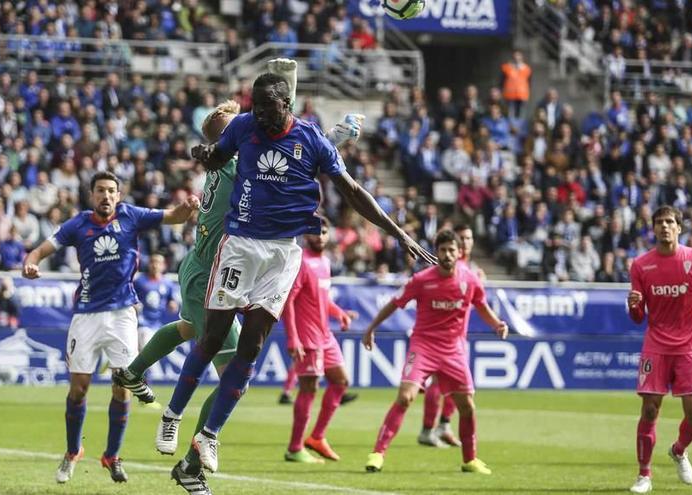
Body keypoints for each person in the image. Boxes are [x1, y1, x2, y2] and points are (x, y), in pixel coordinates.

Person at [175, 68, 436, 476]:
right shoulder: (242, 133)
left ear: (287, 105)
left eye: (268, 108)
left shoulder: (304, 139)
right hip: (230, 250)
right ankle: (173, 417)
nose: (260, 115)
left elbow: (349, 189)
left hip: (279, 254)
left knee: (250, 355)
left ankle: (206, 438)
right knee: (209, 340)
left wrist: (398, 231)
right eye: (255, 108)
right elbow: (224, 156)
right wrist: (206, 154)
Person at [22, 171, 199, 485]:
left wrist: (187, 207)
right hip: (86, 314)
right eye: (101, 190)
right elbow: (40, 249)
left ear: (118, 195)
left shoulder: (132, 215)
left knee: (123, 385)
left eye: (112, 191)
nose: (106, 196)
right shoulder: (78, 224)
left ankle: (112, 456)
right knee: (78, 389)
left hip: (122, 314)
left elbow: (173, 216)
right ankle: (73, 450)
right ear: (92, 195)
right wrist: (31, 262)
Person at [363, 229, 507, 474]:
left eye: (452, 250)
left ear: (459, 252)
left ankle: (470, 459)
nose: (448, 254)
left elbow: (480, 305)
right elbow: (395, 303)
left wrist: (496, 324)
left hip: (454, 350)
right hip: (424, 346)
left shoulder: (470, 279)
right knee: (405, 397)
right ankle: (377, 453)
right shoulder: (421, 280)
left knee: (467, 407)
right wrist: (371, 328)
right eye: (443, 250)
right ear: (436, 252)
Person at [626, 205, 692, 494]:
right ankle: (644, 476)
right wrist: (634, 306)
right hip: (656, 344)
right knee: (650, 409)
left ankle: (678, 450)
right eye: (659, 222)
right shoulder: (640, 265)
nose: (664, 226)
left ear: (679, 227)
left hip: (691, 347)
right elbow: (639, 318)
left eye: (669, 222)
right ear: (653, 229)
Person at [282, 217, 357, 463]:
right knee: (309, 388)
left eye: (324, 232)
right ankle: (294, 448)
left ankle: (317, 437)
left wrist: (340, 314)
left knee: (341, 381)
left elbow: (321, 297)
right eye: (316, 233)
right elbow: (288, 301)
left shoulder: (324, 262)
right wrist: (293, 338)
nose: (320, 236)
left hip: (326, 336)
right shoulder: (301, 262)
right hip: (308, 338)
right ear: (306, 236)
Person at [418, 224, 485, 448]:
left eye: (469, 238)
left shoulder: (470, 271)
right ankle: (428, 429)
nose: (466, 242)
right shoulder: (447, 266)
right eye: (463, 238)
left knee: (458, 388)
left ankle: (444, 425)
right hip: (439, 339)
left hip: (459, 338)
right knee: (438, 383)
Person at [133, 253, 179, 351]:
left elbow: (172, 302)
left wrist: (173, 305)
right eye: (152, 262)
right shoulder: (139, 282)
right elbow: (130, 298)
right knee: (146, 350)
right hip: (143, 324)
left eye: (158, 262)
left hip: (159, 325)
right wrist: (134, 305)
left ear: (163, 265)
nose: (155, 265)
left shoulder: (168, 284)